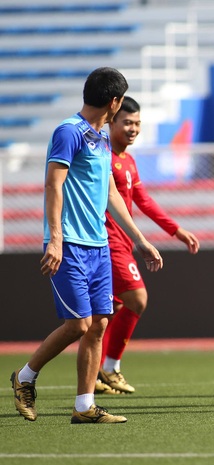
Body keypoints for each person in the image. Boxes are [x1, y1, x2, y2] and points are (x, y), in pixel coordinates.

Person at [10, 67, 164, 424]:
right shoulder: (69, 132)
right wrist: (55, 240)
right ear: (114, 102)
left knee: (99, 324)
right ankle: (25, 376)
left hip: (99, 247)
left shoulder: (102, 138)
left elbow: (110, 193)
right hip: (70, 246)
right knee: (79, 325)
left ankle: (84, 406)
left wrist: (139, 239)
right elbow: (53, 185)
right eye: (121, 102)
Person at [94, 96, 200, 395]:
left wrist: (175, 230)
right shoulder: (102, 156)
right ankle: (110, 367)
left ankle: (96, 374)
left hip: (123, 242)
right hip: (107, 241)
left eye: (138, 123)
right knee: (137, 299)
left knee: (110, 310)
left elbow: (143, 200)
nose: (133, 128)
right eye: (127, 122)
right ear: (111, 121)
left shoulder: (127, 160)